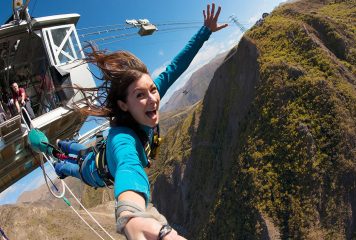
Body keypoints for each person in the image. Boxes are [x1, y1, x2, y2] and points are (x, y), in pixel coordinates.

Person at [52, 4, 227, 239]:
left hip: (98, 155)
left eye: (153, 90)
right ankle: (58, 160)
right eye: (140, 95)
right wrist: (131, 215)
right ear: (124, 105)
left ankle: (63, 145)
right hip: (93, 171)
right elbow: (128, 166)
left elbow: (176, 66)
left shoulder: (148, 97)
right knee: (71, 167)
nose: (152, 99)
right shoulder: (122, 138)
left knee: (82, 150)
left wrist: (205, 31)